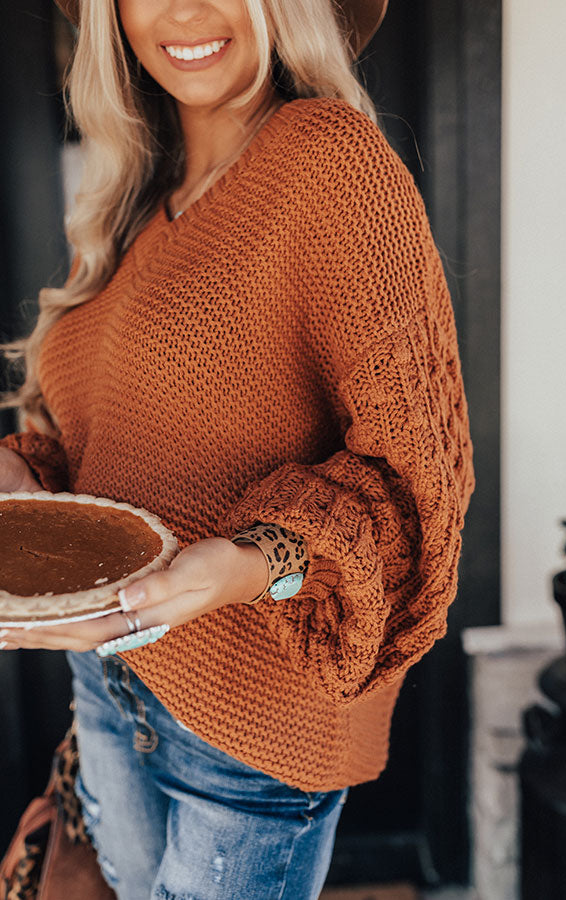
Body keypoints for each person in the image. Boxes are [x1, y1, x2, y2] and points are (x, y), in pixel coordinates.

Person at [0, 0, 476, 896]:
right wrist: (28, 476)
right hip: (112, 689)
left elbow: (420, 484)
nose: (183, 11)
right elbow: (122, 443)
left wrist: (251, 562)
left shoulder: (326, 160)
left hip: (249, 731)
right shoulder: (138, 200)